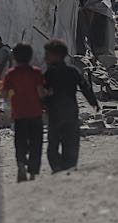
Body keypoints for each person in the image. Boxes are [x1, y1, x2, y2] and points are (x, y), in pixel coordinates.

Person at [42, 39, 99, 173]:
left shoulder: (48, 74)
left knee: (54, 142)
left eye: (47, 55)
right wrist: (93, 102)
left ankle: (57, 166)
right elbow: (85, 87)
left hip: (55, 113)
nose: (44, 58)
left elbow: (42, 92)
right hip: (70, 111)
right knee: (71, 140)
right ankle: (69, 165)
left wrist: (42, 105)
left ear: (56, 56)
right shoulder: (73, 71)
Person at [2, 43, 45, 182]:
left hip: (19, 114)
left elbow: (3, 94)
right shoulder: (36, 72)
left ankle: (21, 164)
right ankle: (32, 172)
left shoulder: (11, 74)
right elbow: (40, 93)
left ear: (14, 57)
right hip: (35, 112)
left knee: (20, 141)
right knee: (36, 143)